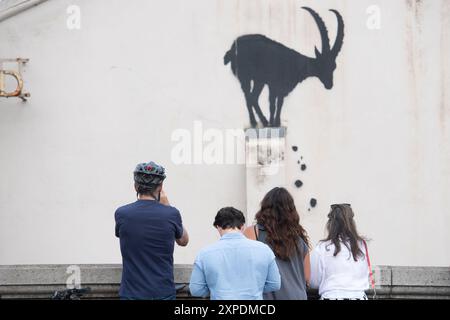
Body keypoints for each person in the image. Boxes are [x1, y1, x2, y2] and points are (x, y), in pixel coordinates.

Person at [115, 161, 189, 300]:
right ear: (160, 187)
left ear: (135, 186)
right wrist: (167, 206)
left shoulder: (121, 214)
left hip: (131, 294)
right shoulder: (171, 214)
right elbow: (183, 241)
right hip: (163, 293)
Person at [189, 207, 281, 300]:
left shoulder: (204, 253)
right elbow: (275, 284)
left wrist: (215, 289)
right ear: (243, 226)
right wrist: (256, 289)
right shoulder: (264, 250)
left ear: (218, 227)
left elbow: (196, 290)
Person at [244, 187, 311, 300]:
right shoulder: (300, 238)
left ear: (265, 208)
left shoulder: (253, 233)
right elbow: (307, 278)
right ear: (291, 211)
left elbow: (245, 269)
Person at [309, 203, 370, 300]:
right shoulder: (361, 245)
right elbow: (366, 275)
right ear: (352, 223)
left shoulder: (322, 248)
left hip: (332, 297)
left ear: (330, 224)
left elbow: (313, 282)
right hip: (359, 297)